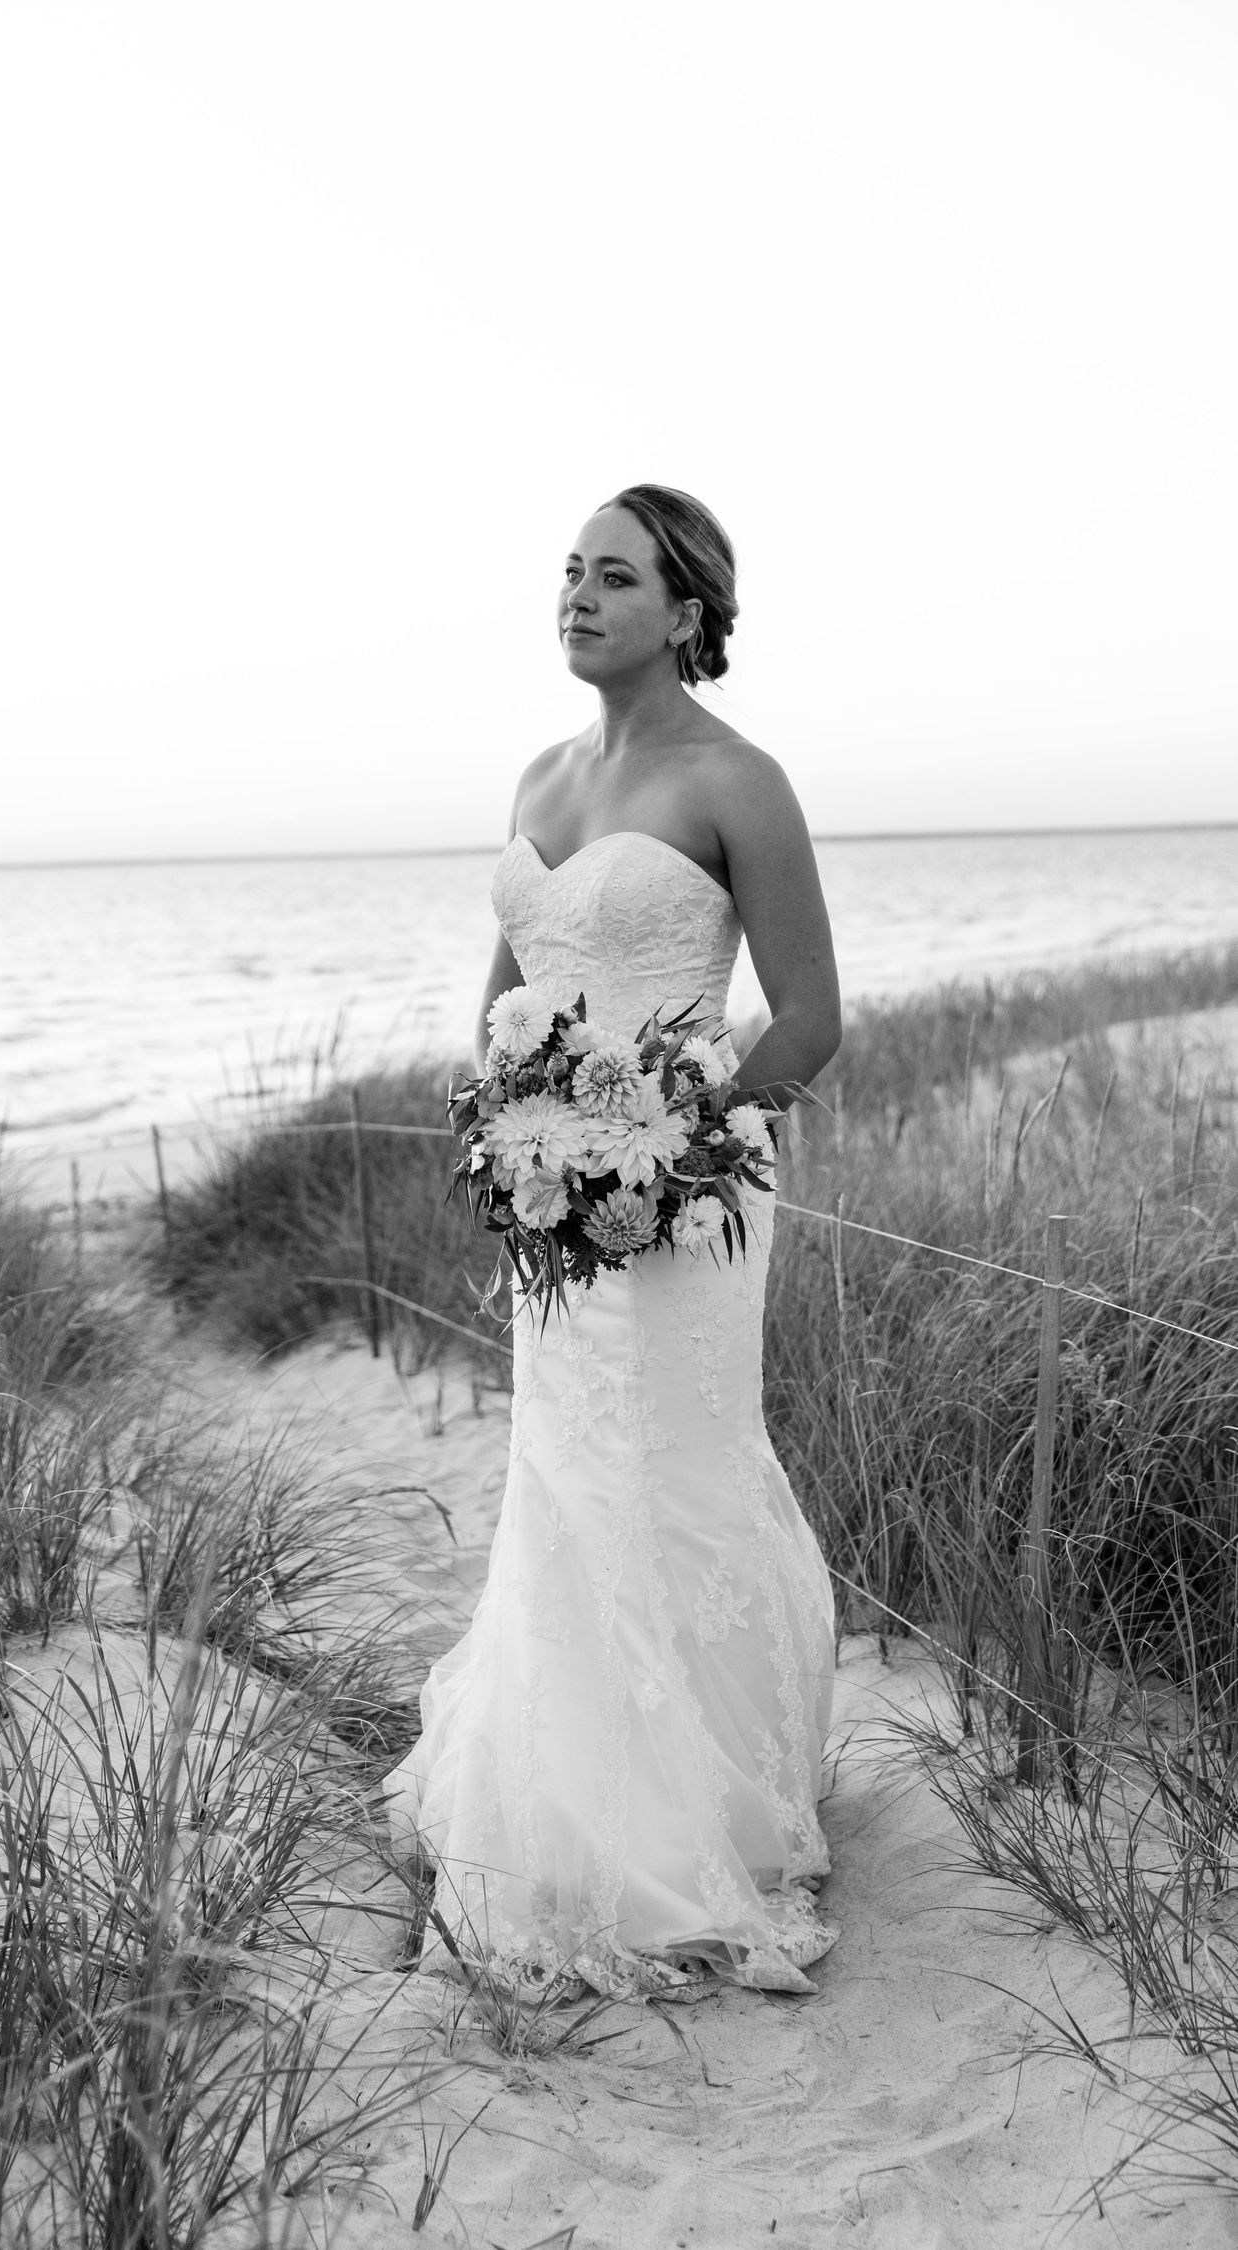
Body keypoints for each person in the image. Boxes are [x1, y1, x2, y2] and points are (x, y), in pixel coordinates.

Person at [384, 484, 843, 1995]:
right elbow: (501, 1001)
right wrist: (520, 1143)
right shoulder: (539, 775)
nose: (578, 595)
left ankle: (702, 1806)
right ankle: (561, 1793)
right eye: (569, 573)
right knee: (563, 1472)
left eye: (615, 576)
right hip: (551, 1206)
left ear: (690, 609)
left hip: (691, 1197)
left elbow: (814, 1019)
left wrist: (689, 1137)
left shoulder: (741, 781)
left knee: (675, 1469)